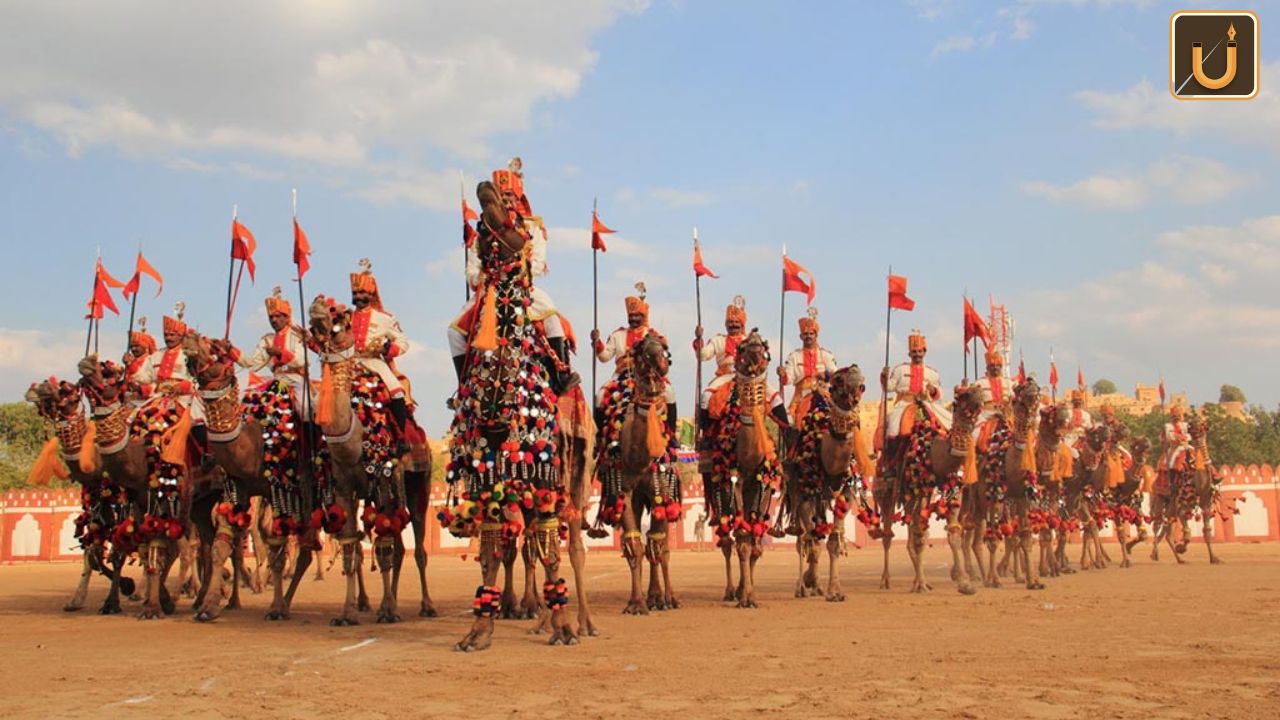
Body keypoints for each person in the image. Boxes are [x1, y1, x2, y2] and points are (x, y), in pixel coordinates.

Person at [447, 157, 578, 394]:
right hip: (489, 290)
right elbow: (473, 266)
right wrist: (478, 278)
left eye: (510, 195)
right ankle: (464, 385)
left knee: (552, 319)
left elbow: (538, 262)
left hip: (523, 287)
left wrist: (521, 270)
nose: (506, 200)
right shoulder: (483, 230)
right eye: (503, 195)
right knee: (454, 332)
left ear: (518, 198)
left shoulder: (532, 227)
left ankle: (560, 377)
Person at [131, 303, 212, 468]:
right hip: (159, 399)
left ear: (181, 336)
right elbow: (143, 377)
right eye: (166, 334)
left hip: (184, 398)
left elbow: (197, 379)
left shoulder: (188, 355)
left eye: (173, 335)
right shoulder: (155, 356)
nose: (169, 338)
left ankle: (206, 458)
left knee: (198, 423)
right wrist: (131, 368)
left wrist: (182, 387)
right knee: (135, 420)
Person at [234, 287, 315, 438]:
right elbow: (253, 363)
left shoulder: (296, 333)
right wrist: (232, 352)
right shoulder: (268, 339)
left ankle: (312, 448)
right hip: (277, 380)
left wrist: (280, 353)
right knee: (253, 404)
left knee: (306, 410)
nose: (274, 320)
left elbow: (301, 360)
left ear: (286, 317)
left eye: (278, 316)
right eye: (271, 317)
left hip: (297, 379)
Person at [348, 259, 411, 451]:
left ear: (371, 293)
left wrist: (387, 349)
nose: (358, 296)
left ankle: (400, 439)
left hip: (374, 362)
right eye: (355, 293)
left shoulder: (384, 318)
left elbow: (403, 342)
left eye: (362, 293)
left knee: (397, 391)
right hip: (349, 364)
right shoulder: (344, 317)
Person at [591, 282, 676, 422]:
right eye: (631, 315)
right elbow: (604, 357)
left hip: (647, 377)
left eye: (637, 315)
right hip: (620, 376)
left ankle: (672, 435)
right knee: (600, 395)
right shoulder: (617, 335)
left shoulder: (652, 335)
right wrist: (597, 342)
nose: (634, 319)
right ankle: (598, 439)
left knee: (669, 392)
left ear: (643, 316)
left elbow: (662, 359)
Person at [881, 329, 952, 442]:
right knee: (893, 429)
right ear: (909, 354)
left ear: (924, 353)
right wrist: (884, 377)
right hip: (904, 404)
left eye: (919, 351)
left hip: (926, 404)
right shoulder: (900, 369)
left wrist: (933, 390)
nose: (917, 354)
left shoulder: (932, 373)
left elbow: (938, 395)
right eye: (914, 352)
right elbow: (888, 388)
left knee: (949, 421)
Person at [693, 295, 750, 424]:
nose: (733, 325)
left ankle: (786, 432)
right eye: (730, 322)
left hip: (747, 378)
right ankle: (705, 433)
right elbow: (702, 355)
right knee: (705, 397)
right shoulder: (719, 340)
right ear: (726, 324)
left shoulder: (750, 341)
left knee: (774, 398)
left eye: (736, 322)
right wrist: (699, 339)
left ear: (742, 324)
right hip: (724, 377)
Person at [777, 307, 838, 422]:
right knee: (788, 422)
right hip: (800, 398)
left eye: (811, 333)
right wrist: (782, 374)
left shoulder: (826, 355)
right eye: (805, 334)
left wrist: (826, 375)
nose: (808, 336)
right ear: (801, 337)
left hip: (823, 395)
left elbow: (836, 375)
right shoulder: (794, 356)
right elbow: (788, 379)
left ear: (816, 336)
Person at [122, 317, 157, 407]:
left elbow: (155, 384)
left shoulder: (151, 360)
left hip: (147, 404)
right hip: (128, 404)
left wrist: (140, 389)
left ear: (145, 346)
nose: (133, 349)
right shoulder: (131, 361)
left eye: (137, 346)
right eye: (131, 346)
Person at [1063, 389, 1094, 458]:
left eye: (1079, 401)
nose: (1077, 403)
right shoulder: (1068, 413)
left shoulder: (1086, 414)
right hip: (1069, 437)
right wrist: (1071, 425)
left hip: (1081, 439)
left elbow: (1089, 428)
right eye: (1076, 401)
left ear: (1081, 402)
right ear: (1073, 402)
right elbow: (1064, 425)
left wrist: (1082, 426)